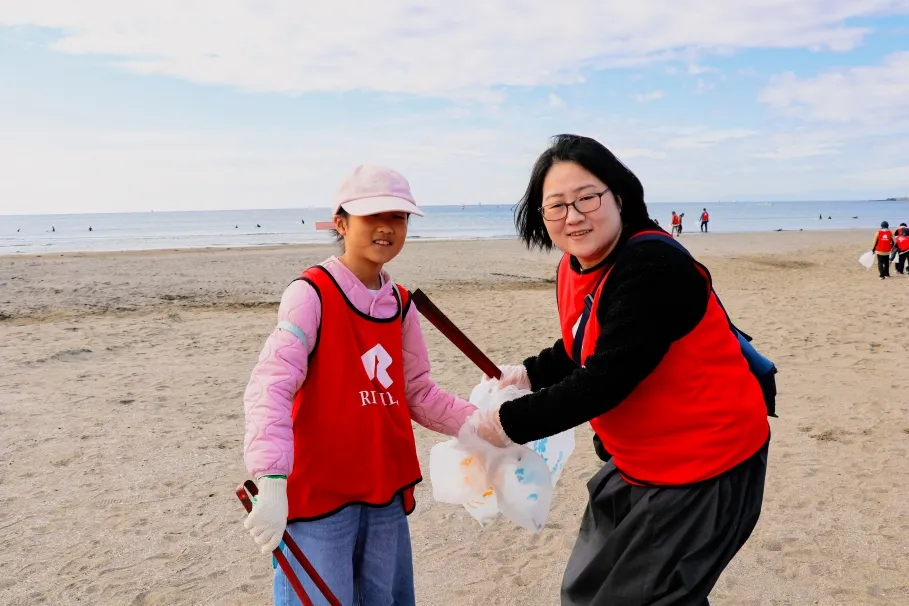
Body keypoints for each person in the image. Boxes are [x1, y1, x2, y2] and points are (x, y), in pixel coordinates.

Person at [468, 134, 771, 605]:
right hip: (636, 461)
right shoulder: (578, 263)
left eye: (588, 197)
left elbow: (607, 379)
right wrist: (528, 373)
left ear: (619, 195)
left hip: (703, 466)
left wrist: (509, 423)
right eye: (557, 206)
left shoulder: (650, 266)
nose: (573, 215)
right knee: (588, 589)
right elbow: (583, 344)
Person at [242, 165, 477, 605]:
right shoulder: (311, 293)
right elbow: (270, 385)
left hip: (383, 489)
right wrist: (271, 479)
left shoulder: (401, 304)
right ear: (341, 223)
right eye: (372, 216)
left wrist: (486, 424)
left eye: (399, 217)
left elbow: (418, 393)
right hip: (319, 496)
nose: (387, 227)